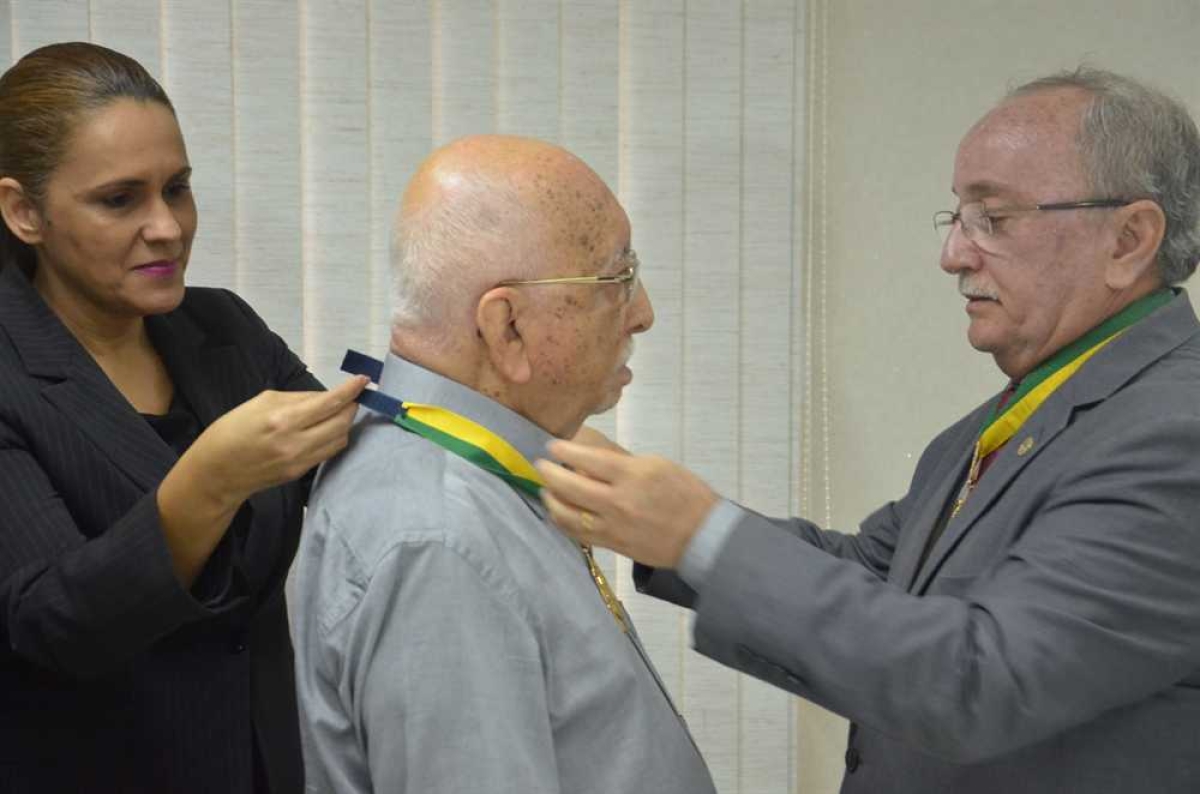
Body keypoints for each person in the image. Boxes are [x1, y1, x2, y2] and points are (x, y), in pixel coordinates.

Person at [536, 68, 1200, 793]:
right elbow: (876, 576)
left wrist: (701, 536)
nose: (954, 255)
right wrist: (638, 513)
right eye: (958, 218)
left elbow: (982, 681)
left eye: (996, 219)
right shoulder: (1001, 423)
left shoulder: (1176, 434)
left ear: (1129, 240)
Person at [291, 134, 715, 794]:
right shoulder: (440, 538)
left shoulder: (467, 477)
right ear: (507, 327)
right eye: (618, 279)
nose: (643, 313)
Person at [0, 42, 365, 793]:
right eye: (120, 199)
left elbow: (349, 450)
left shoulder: (223, 329)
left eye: (178, 188)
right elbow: (55, 623)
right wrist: (207, 484)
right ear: (23, 211)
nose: (168, 227)